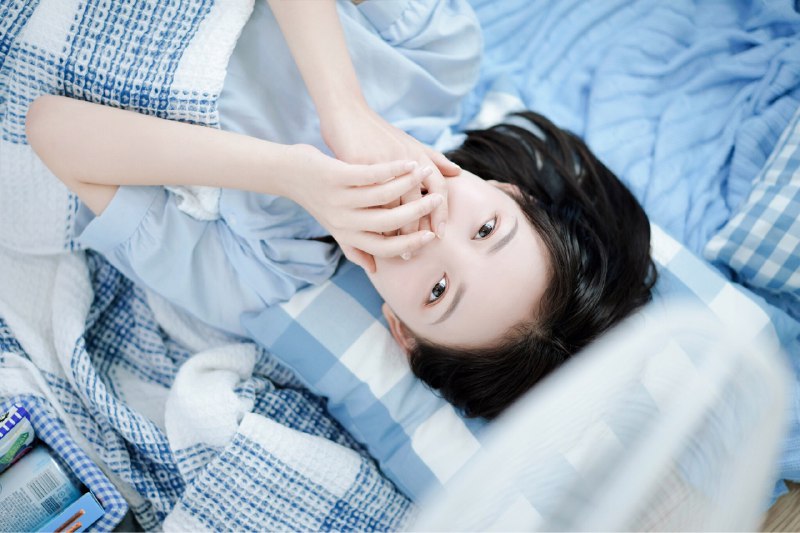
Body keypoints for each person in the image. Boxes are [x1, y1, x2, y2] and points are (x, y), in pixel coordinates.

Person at [24, 1, 656, 420]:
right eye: (487, 228)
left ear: (401, 332)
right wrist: (344, 110)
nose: (432, 228)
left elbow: (50, 128)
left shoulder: (260, 273)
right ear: (513, 193)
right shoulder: (439, 58)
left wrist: (291, 174)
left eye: (438, 290)